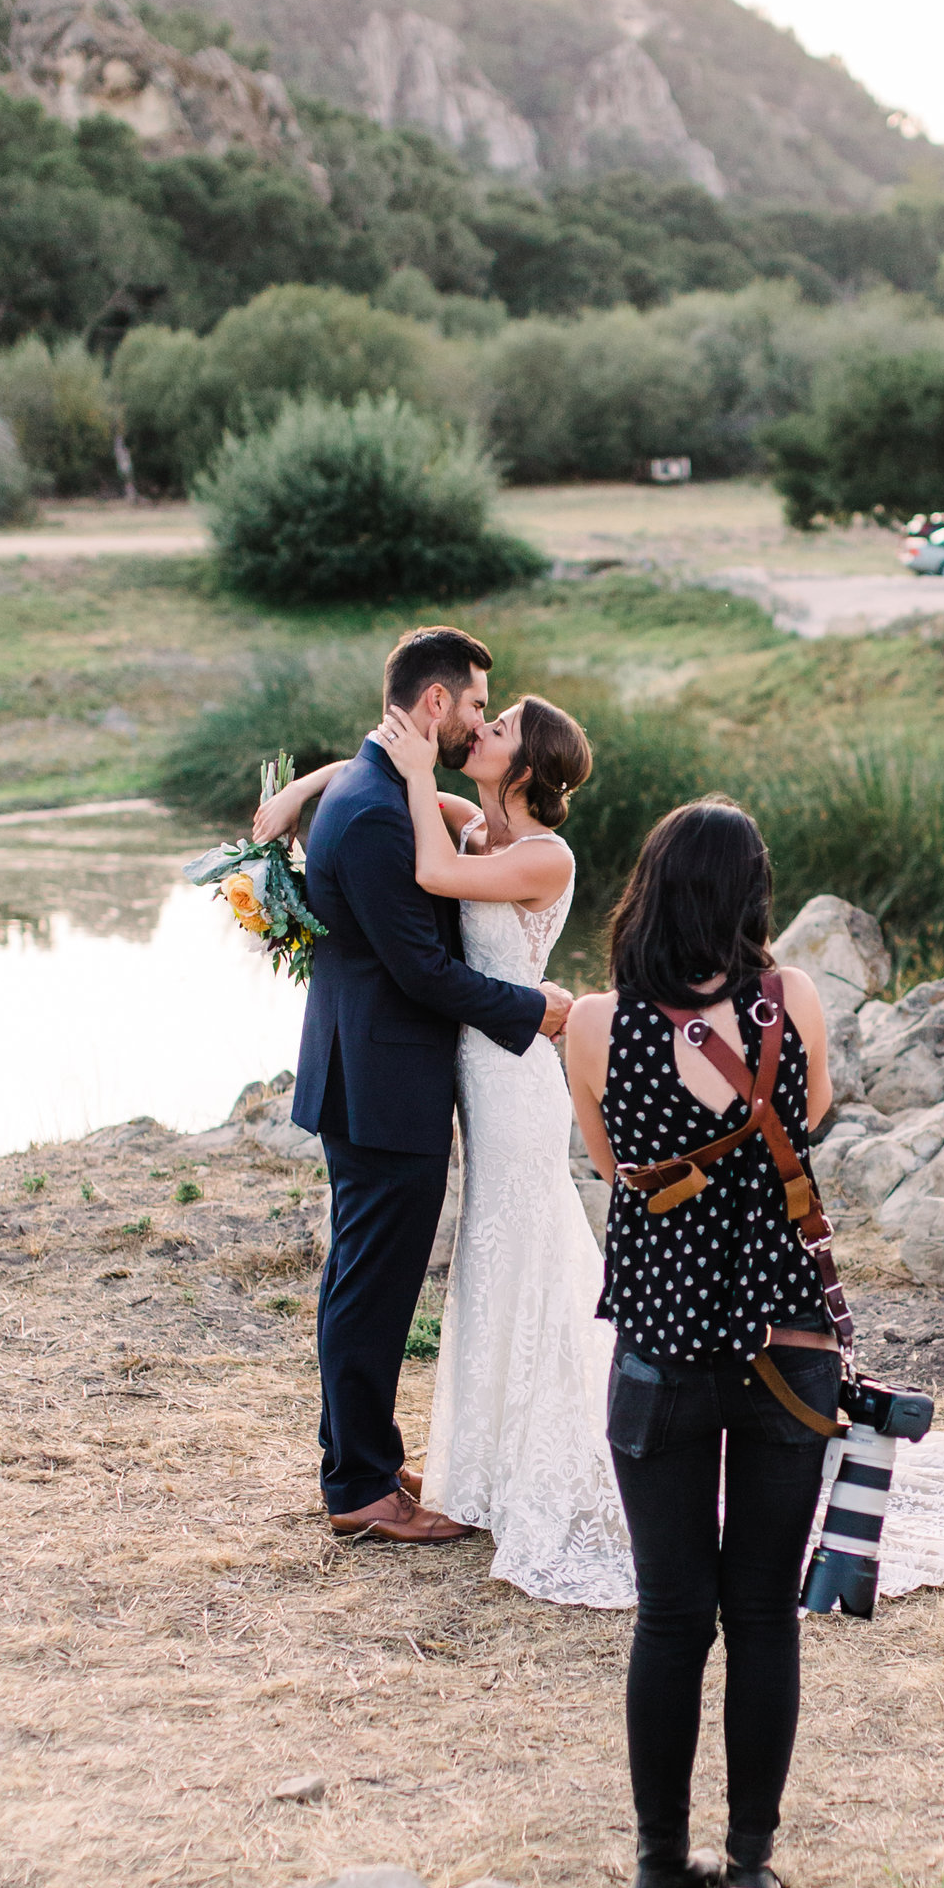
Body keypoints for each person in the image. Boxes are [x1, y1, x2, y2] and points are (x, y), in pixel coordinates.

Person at [560, 800, 838, 1888]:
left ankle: (658, 1864)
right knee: (764, 1611)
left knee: (670, 1616)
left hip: (662, 1354)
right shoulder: (796, 1002)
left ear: (649, 888)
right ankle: (754, 1859)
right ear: (752, 898)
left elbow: (608, 1159)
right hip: (787, 1348)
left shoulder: (590, 1024)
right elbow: (810, 1115)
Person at [253, 626, 571, 1545]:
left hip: (375, 1075)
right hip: (384, 1085)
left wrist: (308, 780)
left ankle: (369, 1457)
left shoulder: (379, 789)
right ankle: (358, 1486)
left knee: (364, 1279)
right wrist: (535, 1012)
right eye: (476, 703)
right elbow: (425, 973)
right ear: (435, 705)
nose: (479, 720)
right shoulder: (388, 811)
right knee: (371, 1289)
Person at [361, 685, 638, 1608]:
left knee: (519, 1243)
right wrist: (294, 798)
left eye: (502, 726)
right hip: (479, 1068)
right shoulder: (477, 826)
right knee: (490, 1247)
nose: (480, 729)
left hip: (518, 1077)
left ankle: (546, 1462)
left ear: (525, 766)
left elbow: (434, 878)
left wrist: (413, 776)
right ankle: (486, 1462)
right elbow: (378, 774)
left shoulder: (542, 855)